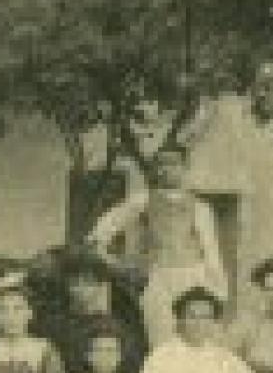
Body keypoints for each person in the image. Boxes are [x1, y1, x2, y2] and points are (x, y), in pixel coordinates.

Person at [87, 144, 228, 349]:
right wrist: (117, 264)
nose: (166, 169)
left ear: (185, 167)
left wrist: (218, 291)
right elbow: (101, 232)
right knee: (161, 341)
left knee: (196, 341)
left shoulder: (200, 208)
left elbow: (212, 252)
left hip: (194, 278)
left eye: (173, 163)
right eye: (160, 163)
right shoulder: (142, 201)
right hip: (157, 280)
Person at [47, 247, 149, 373]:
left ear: (100, 285)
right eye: (74, 283)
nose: (80, 290)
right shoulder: (58, 325)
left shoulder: (118, 325)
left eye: (87, 283)